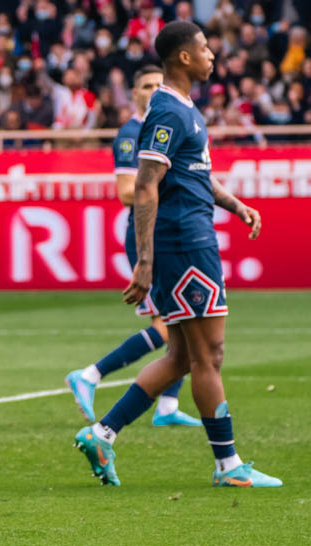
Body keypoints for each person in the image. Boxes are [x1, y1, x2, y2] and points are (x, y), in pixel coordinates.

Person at [73, 22, 280, 488]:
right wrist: (145, 261)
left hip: (190, 236)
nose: (212, 55)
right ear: (184, 57)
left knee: (183, 356)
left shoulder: (184, 108)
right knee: (210, 355)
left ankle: (101, 434)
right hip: (184, 242)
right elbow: (146, 185)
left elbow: (194, 174)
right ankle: (228, 466)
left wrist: (236, 205)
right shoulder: (167, 110)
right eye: (204, 48)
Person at [65, 65, 200, 429]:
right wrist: (171, 189)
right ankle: (90, 375)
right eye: (146, 85)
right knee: (168, 327)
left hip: (169, 231)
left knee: (185, 321)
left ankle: (168, 405)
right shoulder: (131, 133)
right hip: (148, 236)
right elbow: (127, 190)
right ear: (134, 93)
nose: (154, 90)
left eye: (159, 84)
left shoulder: (168, 123)